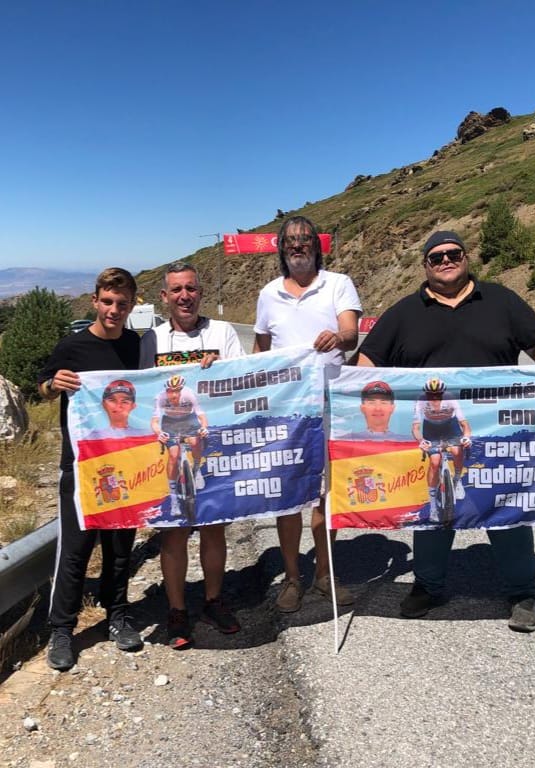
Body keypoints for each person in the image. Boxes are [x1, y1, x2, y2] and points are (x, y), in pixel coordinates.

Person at [357, 229, 535, 633]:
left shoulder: (502, 301)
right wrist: (346, 394)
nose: (446, 261)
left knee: (507, 508)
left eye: (453, 253)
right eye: (436, 257)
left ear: (466, 257)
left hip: (499, 429)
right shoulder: (403, 313)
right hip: (431, 427)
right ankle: (428, 585)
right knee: (433, 508)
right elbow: (365, 365)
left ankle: (522, 592)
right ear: (425, 265)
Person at [253, 215, 362, 613]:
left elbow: (350, 333)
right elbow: (261, 351)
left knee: (325, 494)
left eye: (305, 240)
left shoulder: (338, 283)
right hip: (286, 410)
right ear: (281, 249)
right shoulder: (268, 294)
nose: (298, 246)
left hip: (330, 405)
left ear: (317, 246)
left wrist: (338, 336)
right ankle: (292, 578)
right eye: (290, 241)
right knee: (288, 496)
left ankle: (324, 574)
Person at [37, 268, 144, 671]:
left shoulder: (136, 345)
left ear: (131, 305)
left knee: (120, 547)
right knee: (75, 550)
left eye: (122, 303)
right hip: (82, 464)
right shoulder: (72, 345)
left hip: (127, 461)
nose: (114, 310)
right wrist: (54, 384)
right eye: (107, 301)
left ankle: (117, 616)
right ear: (95, 301)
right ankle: (62, 630)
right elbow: (43, 387)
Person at [140, 262, 245, 649]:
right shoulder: (151, 340)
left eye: (191, 288)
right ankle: (177, 610)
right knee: (174, 530)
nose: (184, 296)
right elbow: (141, 392)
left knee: (214, 526)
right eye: (176, 290)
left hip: (210, 442)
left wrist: (220, 371)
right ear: (164, 297)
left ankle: (213, 602)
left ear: (200, 292)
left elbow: (242, 381)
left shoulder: (223, 332)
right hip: (167, 443)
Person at [151, 373, 209, 512]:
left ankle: (196, 469)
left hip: (189, 419)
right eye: (170, 391)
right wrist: (159, 433)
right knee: (173, 455)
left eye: (177, 391)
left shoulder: (189, 394)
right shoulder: (160, 398)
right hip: (170, 423)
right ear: (166, 390)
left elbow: (201, 415)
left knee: (195, 442)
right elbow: (155, 421)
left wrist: (203, 428)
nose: (173, 394)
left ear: (181, 390)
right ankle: (174, 499)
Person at [412, 377, 471, 507]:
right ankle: (433, 504)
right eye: (430, 395)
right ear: (426, 394)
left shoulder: (450, 399)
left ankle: (457, 479)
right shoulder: (421, 400)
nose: (434, 398)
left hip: (450, 427)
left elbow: (464, 424)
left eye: (438, 395)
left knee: (457, 451)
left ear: (443, 393)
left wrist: (466, 437)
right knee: (434, 462)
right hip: (431, 429)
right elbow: (416, 427)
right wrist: (421, 441)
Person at [344, 380, 410, 441]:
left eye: (383, 402)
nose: (378, 408)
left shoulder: (407, 442)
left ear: (392, 408)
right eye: (371, 402)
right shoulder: (346, 440)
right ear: (362, 408)